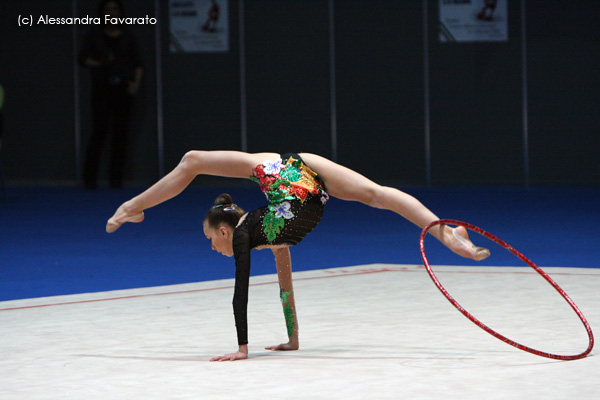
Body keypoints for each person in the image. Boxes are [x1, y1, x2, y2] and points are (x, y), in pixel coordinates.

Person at [106, 151, 490, 361]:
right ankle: (450, 238)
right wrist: (293, 338)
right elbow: (284, 286)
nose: (212, 247)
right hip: (303, 171)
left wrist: (242, 349)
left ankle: (131, 206)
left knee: (192, 160)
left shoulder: (246, 233)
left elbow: (241, 291)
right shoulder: (269, 234)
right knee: (377, 194)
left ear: (226, 230)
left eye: (211, 239)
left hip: (290, 187)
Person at [79, 0, 143, 189]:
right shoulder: (95, 35)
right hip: (102, 88)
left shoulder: (127, 36)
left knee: (120, 134)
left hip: (122, 89)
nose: (111, 12)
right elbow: (82, 58)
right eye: (107, 9)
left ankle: (116, 180)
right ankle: (89, 180)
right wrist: (99, 64)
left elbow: (138, 63)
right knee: (99, 131)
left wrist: (135, 84)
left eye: (114, 9)